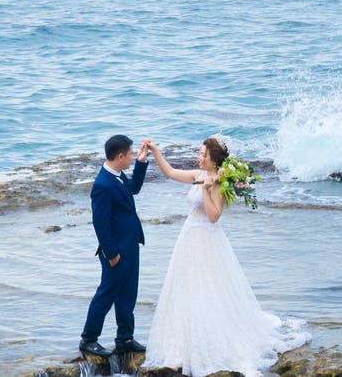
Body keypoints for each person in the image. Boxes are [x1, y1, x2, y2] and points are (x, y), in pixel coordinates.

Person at [141, 137, 309, 376]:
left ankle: (211, 339)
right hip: (188, 237)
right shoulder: (198, 174)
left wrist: (207, 189)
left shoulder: (220, 182)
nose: (199, 157)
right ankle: (185, 340)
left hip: (206, 239)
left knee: (207, 289)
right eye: (200, 153)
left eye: (203, 154)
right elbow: (170, 172)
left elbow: (213, 216)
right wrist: (155, 151)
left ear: (213, 159)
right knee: (187, 288)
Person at [79, 134, 151, 358]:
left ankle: (125, 338)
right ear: (120, 156)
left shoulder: (118, 176)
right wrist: (111, 254)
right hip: (116, 250)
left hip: (130, 245)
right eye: (131, 154)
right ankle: (88, 339)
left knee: (128, 293)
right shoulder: (103, 185)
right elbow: (100, 224)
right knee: (106, 294)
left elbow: (134, 188)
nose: (131, 157)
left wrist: (141, 163)